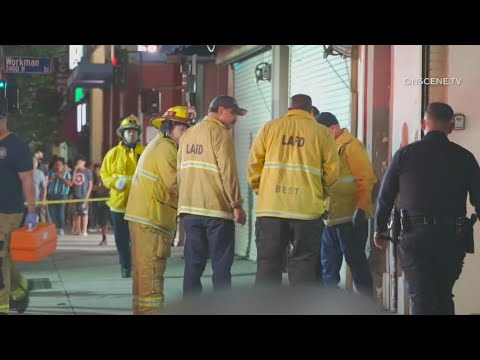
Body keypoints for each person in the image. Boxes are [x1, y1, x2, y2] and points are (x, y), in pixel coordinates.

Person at [374, 102, 480, 315]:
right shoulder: (465, 157)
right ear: (450, 127)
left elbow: (385, 196)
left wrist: (380, 229)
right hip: (452, 237)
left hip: (414, 237)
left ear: (424, 124)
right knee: (443, 296)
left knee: (420, 297)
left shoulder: (404, 155)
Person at [247, 94, 339, 286]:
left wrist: (262, 190)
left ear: (289, 110)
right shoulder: (321, 132)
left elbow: (254, 166)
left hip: (271, 209)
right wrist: (318, 193)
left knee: (268, 264)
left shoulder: (269, 128)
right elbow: (332, 172)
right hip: (306, 211)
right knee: (304, 265)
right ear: (311, 111)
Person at [125, 106, 195, 314]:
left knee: (143, 277)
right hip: (152, 221)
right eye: (183, 129)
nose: (185, 134)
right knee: (152, 278)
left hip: (144, 218)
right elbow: (174, 184)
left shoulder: (157, 145)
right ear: (169, 128)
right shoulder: (166, 149)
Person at [177, 95, 247, 297]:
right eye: (234, 113)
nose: (236, 119)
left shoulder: (188, 134)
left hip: (190, 210)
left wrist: (181, 205)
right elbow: (228, 172)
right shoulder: (220, 133)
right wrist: (236, 204)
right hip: (216, 211)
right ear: (221, 110)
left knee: (193, 264)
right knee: (221, 266)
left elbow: (179, 171)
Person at [316, 112, 376, 297]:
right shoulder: (328, 147)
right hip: (330, 218)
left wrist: (362, 207)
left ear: (332, 129)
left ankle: (367, 302)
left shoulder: (352, 147)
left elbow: (365, 180)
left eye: (322, 133)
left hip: (351, 218)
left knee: (356, 261)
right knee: (328, 264)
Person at [0, 102, 38, 315]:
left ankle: (2, 305)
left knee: (0, 259)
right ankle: (20, 288)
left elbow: (27, 180)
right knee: (5, 258)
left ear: (4, 119)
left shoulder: (16, 146)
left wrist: (31, 211)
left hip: (8, 212)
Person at [100, 115, 145, 278]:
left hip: (140, 204)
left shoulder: (145, 153)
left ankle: (139, 266)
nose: (131, 134)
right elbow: (104, 175)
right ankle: (125, 266)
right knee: (121, 240)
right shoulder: (112, 154)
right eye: (128, 131)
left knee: (139, 240)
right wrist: (113, 182)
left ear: (138, 134)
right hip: (118, 204)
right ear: (122, 134)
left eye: (134, 131)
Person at [47, 157, 72, 235]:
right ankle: (53, 228)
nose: (57, 166)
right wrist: (50, 179)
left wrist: (61, 178)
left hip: (62, 195)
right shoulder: (50, 172)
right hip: (51, 195)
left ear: (63, 165)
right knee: (52, 212)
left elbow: (70, 184)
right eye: (56, 165)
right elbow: (45, 183)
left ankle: (60, 228)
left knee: (60, 212)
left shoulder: (67, 173)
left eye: (59, 165)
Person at [71, 155, 93, 236]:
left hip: (84, 195)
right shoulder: (75, 171)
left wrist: (87, 195)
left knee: (84, 213)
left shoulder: (88, 171)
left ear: (84, 163)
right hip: (76, 194)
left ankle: (84, 230)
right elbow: (72, 182)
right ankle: (78, 230)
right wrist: (75, 170)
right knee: (77, 214)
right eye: (77, 162)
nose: (78, 163)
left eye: (80, 162)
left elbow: (90, 184)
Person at [91, 164, 110, 245]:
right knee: (103, 222)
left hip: (110, 202)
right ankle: (104, 238)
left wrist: (100, 188)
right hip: (101, 202)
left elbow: (107, 188)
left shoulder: (107, 178)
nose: (97, 172)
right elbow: (97, 190)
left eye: (98, 170)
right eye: (95, 170)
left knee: (108, 221)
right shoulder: (96, 179)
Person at [32, 156, 47, 222]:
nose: (33, 163)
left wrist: (43, 199)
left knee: (41, 219)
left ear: (37, 163)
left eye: (35, 162)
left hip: (37, 201)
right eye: (31, 162)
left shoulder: (40, 174)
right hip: (25, 202)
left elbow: (44, 188)